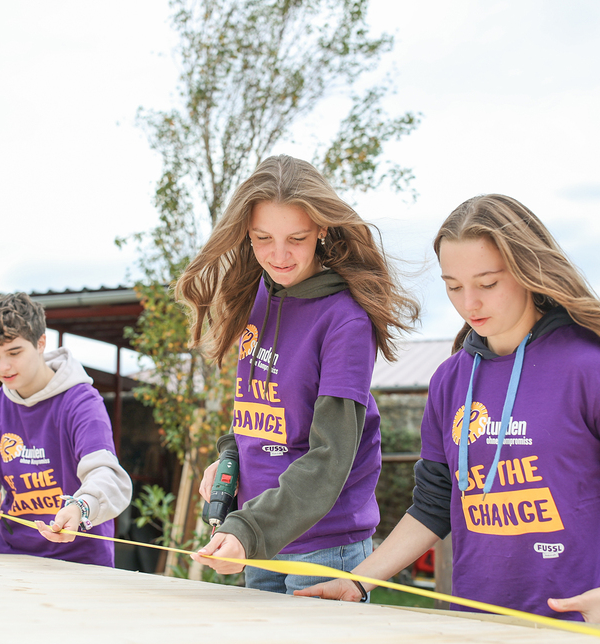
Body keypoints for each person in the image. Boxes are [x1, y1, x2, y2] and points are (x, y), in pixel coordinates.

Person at [296, 194, 600, 625]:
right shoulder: (450, 381)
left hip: (591, 626)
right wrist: (357, 582)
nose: (469, 304)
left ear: (528, 272)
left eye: (487, 284)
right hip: (480, 627)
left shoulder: (593, 368)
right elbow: (434, 505)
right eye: (453, 286)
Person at [176, 155, 420, 594]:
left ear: (322, 229)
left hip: (323, 548)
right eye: (262, 238)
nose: (279, 255)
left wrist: (249, 527)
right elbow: (262, 409)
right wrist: (232, 456)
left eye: (296, 238)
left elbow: (330, 456)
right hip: (260, 538)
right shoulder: (257, 297)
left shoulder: (345, 321)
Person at [0, 292, 133, 566]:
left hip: (81, 563)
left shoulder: (81, 402)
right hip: (10, 559)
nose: (3, 367)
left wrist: (81, 507)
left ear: (41, 342)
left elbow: (107, 476)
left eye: (14, 353)